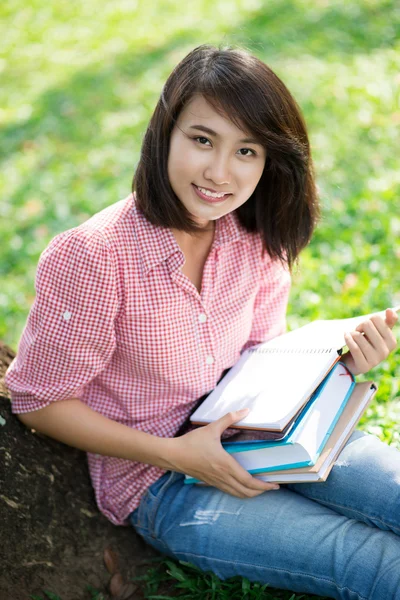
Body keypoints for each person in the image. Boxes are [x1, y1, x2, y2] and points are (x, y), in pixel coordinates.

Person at [5, 45, 400, 600]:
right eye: (202, 139)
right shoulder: (93, 257)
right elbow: (39, 401)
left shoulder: (253, 233)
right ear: (165, 132)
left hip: (268, 436)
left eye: (246, 150)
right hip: (163, 483)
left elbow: (260, 356)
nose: (220, 172)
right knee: (369, 561)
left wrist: (340, 360)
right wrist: (177, 454)